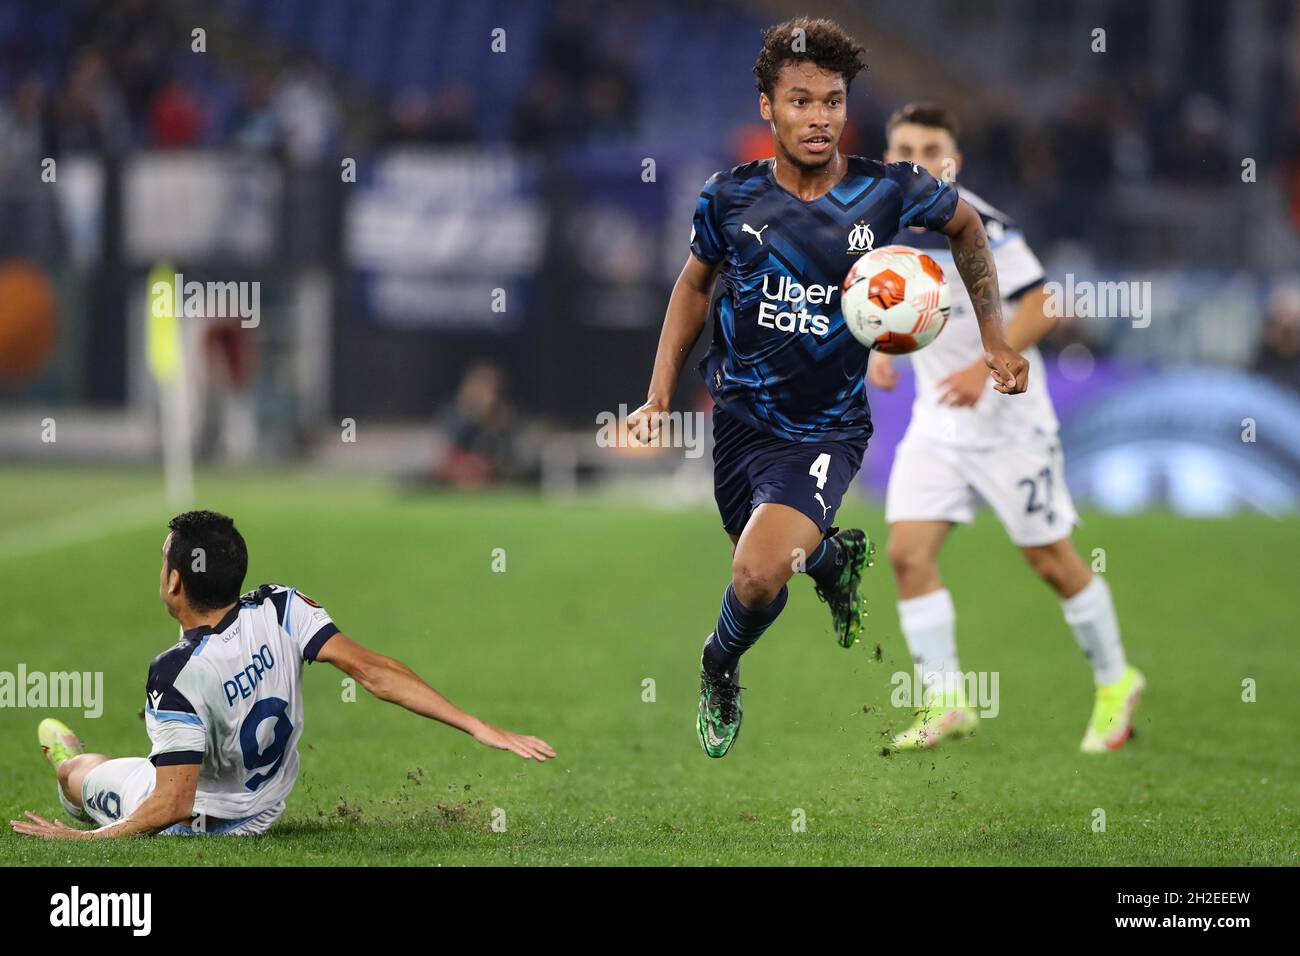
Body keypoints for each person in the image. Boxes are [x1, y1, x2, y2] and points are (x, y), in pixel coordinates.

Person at [626, 19, 1029, 758]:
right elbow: (692, 289)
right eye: (802, 101)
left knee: (754, 571)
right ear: (768, 108)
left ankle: (718, 669)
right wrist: (658, 397)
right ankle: (833, 560)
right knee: (761, 577)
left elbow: (969, 229)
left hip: (827, 430)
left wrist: (996, 337)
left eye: (833, 102)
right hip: (739, 423)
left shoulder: (888, 191)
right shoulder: (729, 199)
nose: (819, 118)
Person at [11, 510, 554, 839]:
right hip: (268, 805)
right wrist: (476, 724)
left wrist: (87, 844)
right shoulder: (281, 606)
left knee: (79, 775)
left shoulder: (172, 673)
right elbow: (373, 670)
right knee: (143, 765)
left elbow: (171, 806)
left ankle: (69, 762)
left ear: (175, 582)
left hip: (203, 823)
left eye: (163, 562)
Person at [871, 103, 1143, 752]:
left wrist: (978, 365)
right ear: (886, 156)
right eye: (902, 145)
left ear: (951, 162)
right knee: (908, 555)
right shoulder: (878, 222)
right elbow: (892, 301)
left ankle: (1116, 681)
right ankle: (947, 702)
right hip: (939, 423)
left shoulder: (978, 221)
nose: (914, 156)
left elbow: (1044, 304)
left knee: (1049, 561)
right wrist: (881, 349)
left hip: (1008, 422)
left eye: (930, 147)